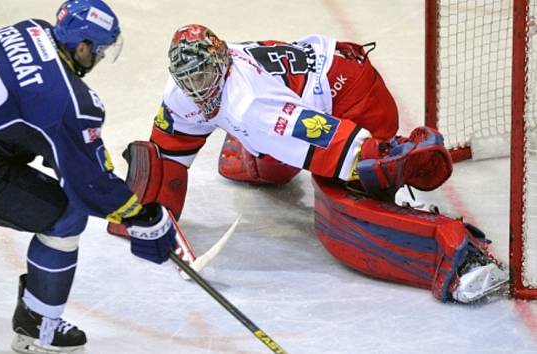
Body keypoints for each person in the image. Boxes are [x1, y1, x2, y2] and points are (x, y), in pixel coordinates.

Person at [108, 24, 508, 303]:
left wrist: (377, 162)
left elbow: (338, 146)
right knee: (257, 162)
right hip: (317, 76)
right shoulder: (193, 89)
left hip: (355, 96)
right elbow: (166, 156)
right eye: (188, 80)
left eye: (204, 76)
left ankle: (460, 256)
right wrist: (145, 215)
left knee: (343, 216)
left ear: (222, 61)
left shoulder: (251, 107)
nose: (197, 90)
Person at [0, 1, 177, 353]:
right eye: (98, 50)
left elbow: (20, 107)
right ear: (82, 47)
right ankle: (39, 327)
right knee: (66, 216)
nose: (97, 58)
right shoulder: (69, 103)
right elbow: (89, 186)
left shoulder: (27, 28)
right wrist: (141, 217)